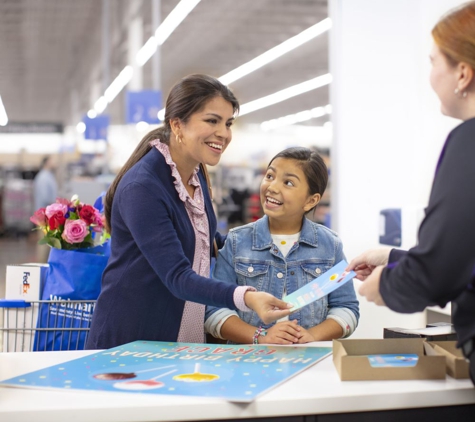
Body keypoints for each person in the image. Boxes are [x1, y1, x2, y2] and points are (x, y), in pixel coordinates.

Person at [86, 74, 292, 350]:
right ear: (176, 124)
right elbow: (178, 277)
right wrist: (247, 296)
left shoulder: (194, 174)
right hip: (132, 339)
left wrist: (269, 243)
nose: (224, 133)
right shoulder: (143, 187)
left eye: (228, 123)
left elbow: (205, 240)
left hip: (179, 332)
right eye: (212, 120)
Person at [346, 2, 475, 386]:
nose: (431, 74)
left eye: (434, 61)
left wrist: (385, 285)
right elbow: (464, 259)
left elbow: (437, 276)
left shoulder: (469, 142)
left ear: (463, 73)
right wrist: (394, 257)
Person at [205, 147, 359, 344]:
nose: (272, 187)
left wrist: (313, 336)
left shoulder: (330, 245)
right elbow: (213, 310)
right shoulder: (236, 242)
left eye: (288, 182)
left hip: (308, 362)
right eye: (270, 176)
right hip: (248, 363)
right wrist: (260, 337)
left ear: (311, 200)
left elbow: (347, 309)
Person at [33, 155, 58, 262]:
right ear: (47, 162)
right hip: (44, 216)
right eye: (52, 161)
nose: (54, 163)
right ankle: (41, 267)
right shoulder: (44, 177)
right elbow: (46, 197)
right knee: (44, 242)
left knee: (47, 242)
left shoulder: (48, 176)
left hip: (47, 215)